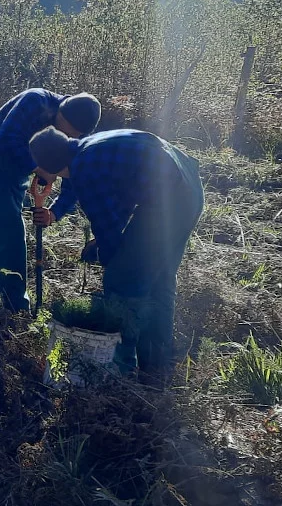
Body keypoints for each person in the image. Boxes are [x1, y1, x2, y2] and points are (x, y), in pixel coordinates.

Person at [27, 127, 205, 381]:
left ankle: (120, 368)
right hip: (189, 187)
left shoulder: (86, 169)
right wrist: (59, 214)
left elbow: (108, 228)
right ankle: (156, 365)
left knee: (123, 281)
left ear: (49, 164)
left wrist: (111, 262)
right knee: (159, 279)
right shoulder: (83, 151)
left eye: (37, 168)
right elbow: (89, 191)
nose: (36, 173)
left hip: (170, 200)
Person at [0, 90, 102, 311]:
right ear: (60, 108)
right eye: (60, 127)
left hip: (16, 176)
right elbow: (2, 143)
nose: (62, 134)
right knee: (9, 228)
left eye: (70, 135)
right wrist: (38, 167)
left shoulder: (81, 138)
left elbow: (75, 177)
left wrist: (56, 212)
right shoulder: (34, 101)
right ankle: (16, 306)